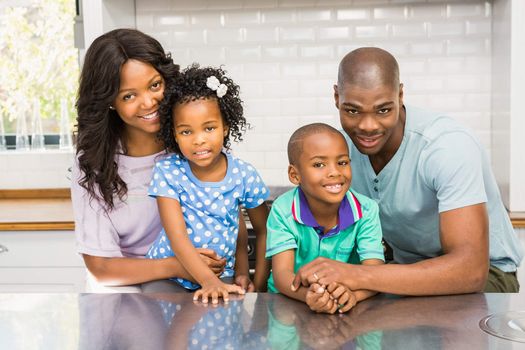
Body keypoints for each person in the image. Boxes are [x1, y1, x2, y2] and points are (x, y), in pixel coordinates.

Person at [292, 47, 523, 294]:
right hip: (403, 270)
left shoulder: (446, 146)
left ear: (400, 95)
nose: (367, 126)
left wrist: (355, 275)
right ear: (336, 97)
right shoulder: (342, 153)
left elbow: (469, 272)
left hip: (487, 277)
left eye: (383, 110)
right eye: (352, 111)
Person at [72, 28, 241, 290]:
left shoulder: (190, 142)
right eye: (129, 96)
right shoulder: (93, 160)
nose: (149, 102)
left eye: (155, 85)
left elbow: (230, 209)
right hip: (124, 284)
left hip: (197, 275)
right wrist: (176, 265)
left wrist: (238, 271)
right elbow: (101, 267)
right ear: (110, 101)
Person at [146, 64, 271, 303]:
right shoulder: (168, 171)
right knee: (164, 329)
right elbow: (178, 238)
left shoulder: (243, 174)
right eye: (186, 132)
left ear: (225, 127)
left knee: (219, 333)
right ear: (174, 134)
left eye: (209, 128)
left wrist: (251, 279)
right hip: (169, 278)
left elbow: (260, 230)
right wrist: (208, 281)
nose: (199, 140)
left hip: (220, 275)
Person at [266, 123, 384, 314]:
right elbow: (282, 275)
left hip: (348, 306)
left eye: (342, 162)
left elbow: (375, 273)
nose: (335, 172)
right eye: (319, 164)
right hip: (289, 306)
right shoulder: (282, 209)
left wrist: (353, 295)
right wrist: (309, 296)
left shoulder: (367, 210)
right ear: (295, 175)